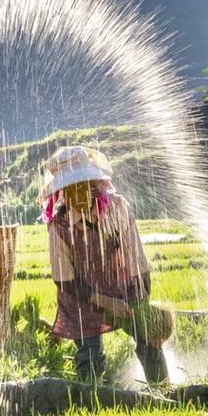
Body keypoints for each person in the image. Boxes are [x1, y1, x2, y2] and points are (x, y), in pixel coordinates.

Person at [39, 145, 170, 385]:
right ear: (62, 193)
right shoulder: (59, 226)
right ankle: (93, 404)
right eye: (69, 189)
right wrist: (106, 302)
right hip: (81, 295)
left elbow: (136, 259)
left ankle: (164, 390)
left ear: (93, 185)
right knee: (89, 355)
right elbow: (64, 281)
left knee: (147, 339)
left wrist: (139, 305)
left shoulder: (117, 208)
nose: (77, 194)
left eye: (82, 186)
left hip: (120, 285)